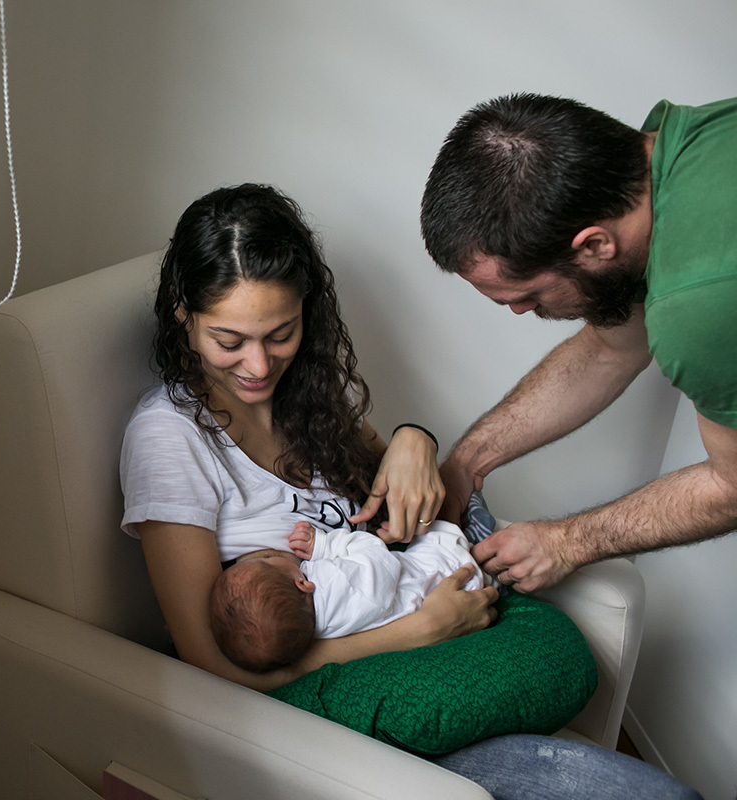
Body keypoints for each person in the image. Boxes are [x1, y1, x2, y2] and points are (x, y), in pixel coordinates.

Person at [120, 183, 701, 799]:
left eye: (280, 334)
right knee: (575, 689)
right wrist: (420, 631)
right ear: (183, 314)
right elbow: (213, 666)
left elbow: (410, 486)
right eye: (229, 341)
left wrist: (413, 439)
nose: (259, 367)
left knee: (578, 682)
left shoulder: (306, 399)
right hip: (317, 687)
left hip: (407, 637)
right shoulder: (169, 437)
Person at [420, 93, 737, 594]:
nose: (522, 312)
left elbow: (734, 488)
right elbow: (612, 348)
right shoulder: (672, 149)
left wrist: (569, 542)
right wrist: (466, 462)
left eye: (525, 296)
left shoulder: (698, 303)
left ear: (594, 245)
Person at [210, 518, 491, 673]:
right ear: (302, 585)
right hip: (448, 571)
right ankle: (478, 532)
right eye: (268, 562)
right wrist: (323, 545)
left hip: (433, 600)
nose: (272, 556)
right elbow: (378, 556)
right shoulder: (337, 583)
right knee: (440, 533)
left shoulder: (304, 629)